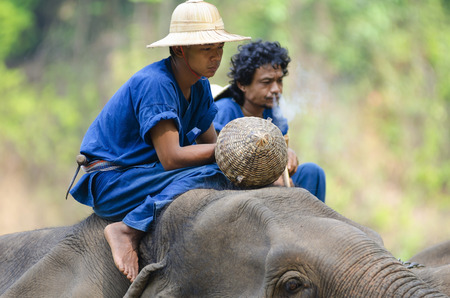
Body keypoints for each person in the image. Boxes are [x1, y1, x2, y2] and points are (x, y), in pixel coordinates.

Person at [68, 0, 250, 282]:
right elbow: (172, 158)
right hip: (113, 180)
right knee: (213, 172)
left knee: (224, 171)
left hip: (144, 175)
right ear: (179, 49)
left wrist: (238, 151)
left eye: (219, 49)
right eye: (206, 49)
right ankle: (128, 229)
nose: (216, 57)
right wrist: (229, 150)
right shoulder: (157, 83)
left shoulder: (199, 84)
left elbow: (212, 143)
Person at [213, 40, 326, 202]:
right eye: (266, 82)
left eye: (279, 81)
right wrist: (267, 178)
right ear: (242, 84)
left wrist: (288, 155)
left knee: (312, 172)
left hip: (272, 182)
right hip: (236, 187)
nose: (276, 89)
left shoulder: (271, 112)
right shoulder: (225, 111)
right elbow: (219, 164)